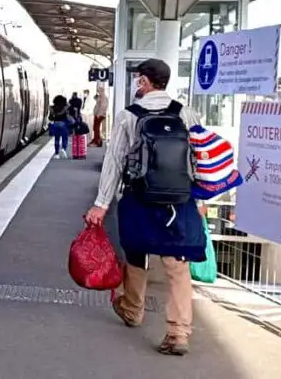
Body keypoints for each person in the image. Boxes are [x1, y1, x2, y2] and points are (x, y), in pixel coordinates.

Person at [84, 59, 206, 356]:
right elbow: (200, 159)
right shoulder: (187, 113)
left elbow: (114, 162)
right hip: (179, 201)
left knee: (136, 254)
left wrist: (101, 204)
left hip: (140, 198)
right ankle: (178, 332)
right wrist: (200, 201)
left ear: (143, 82)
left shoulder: (128, 116)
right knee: (178, 265)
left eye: (139, 78)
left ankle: (133, 309)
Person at [48, 95, 71, 159]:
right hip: (64, 124)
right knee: (65, 138)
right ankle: (63, 149)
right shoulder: (66, 108)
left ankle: (57, 154)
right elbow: (68, 117)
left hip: (56, 124)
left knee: (57, 139)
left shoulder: (53, 108)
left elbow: (50, 118)